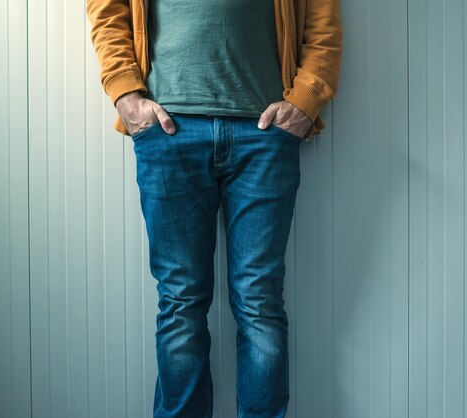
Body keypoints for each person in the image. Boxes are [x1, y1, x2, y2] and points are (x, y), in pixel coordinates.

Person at [85, 0, 342, 417]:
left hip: (264, 133)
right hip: (168, 131)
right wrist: (125, 92)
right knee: (181, 302)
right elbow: (106, 10)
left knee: (259, 301)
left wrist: (306, 99)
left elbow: (322, 18)